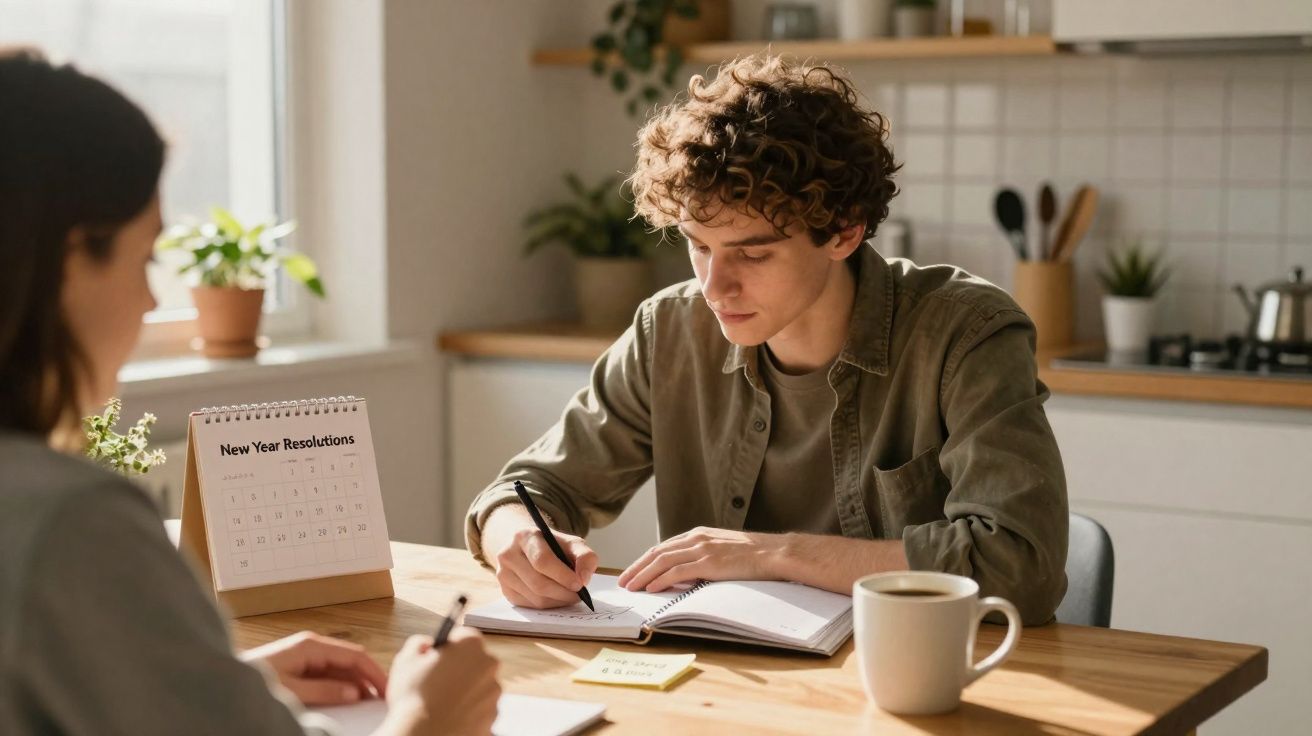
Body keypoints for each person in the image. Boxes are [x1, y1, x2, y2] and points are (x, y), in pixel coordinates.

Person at [466, 54, 1068, 626]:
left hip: (929, 682)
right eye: (698, 246)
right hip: (727, 684)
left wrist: (773, 554)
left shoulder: (966, 335)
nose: (713, 286)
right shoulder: (668, 332)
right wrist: (517, 537)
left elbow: (1021, 564)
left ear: (845, 232)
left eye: (752, 253)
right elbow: (528, 490)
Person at [0, 48, 499, 735]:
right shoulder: (72, 524)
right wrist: (425, 717)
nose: (151, 300)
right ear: (69, 258)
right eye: (146, 259)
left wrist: (226, 682)